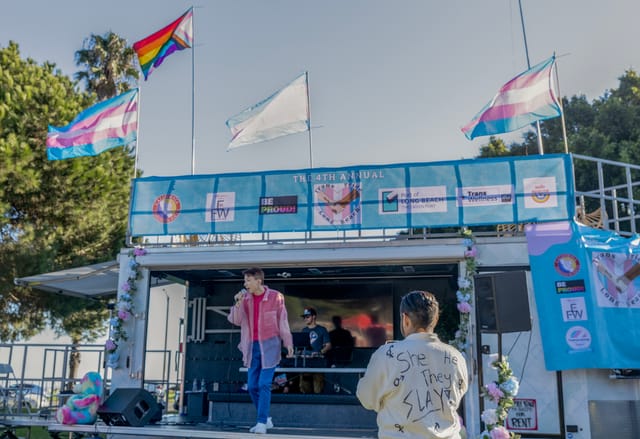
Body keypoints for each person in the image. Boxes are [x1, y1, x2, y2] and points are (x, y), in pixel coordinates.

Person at [356, 291, 468, 439]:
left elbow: (366, 398)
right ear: (436, 319)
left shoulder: (386, 355)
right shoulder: (455, 356)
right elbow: (459, 394)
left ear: (405, 319)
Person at [228, 267, 294, 434]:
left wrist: (288, 343)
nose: (245, 284)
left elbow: (283, 321)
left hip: (270, 346)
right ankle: (266, 419)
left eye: (248, 280)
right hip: (251, 347)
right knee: (251, 386)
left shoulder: (275, 297)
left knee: (264, 384)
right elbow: (235, 320)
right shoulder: (245, 299)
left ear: (258, 281)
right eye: (245, 281)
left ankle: (261, 422)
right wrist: (237, 302)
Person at [299, 307, 331, 394]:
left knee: (318, 388)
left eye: (307, 316)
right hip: (305, 362)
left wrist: (319, 353)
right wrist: (299, 353)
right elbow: (301, 347)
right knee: (305, 388)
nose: (305, 319)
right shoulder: (304, 330)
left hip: (318, 362)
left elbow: (328, 346)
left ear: (314, 317)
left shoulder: (322, 329)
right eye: (304, 317)